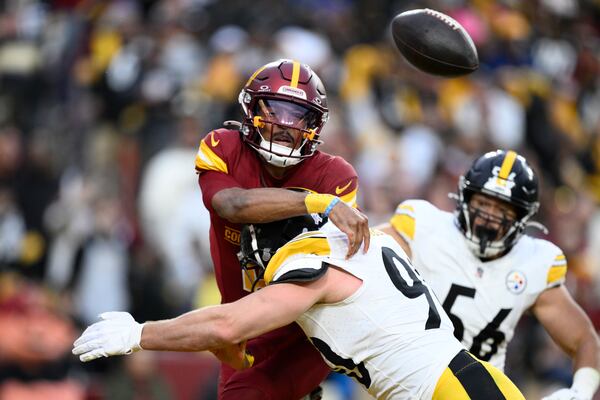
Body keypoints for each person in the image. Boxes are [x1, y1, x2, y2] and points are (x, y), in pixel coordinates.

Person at [73, 215, 525, 400]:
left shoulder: (311, 266)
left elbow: (226, 324)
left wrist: (139, 334)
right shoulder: (357, 243)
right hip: (458, 381)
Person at [193, 59, 370, 399]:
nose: (286, 125)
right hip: (242, 325)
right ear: (252, 109)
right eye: (275, 111)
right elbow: (233, 205)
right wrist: (317, 204)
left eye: (298, 116)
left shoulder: (335, 175)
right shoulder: (223, 147)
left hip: (306, 332)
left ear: (315, 124)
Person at [377, 149, 600, 400]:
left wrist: (581, 391)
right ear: (466, 198)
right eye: (483, 204)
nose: (488, 218)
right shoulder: (424, 227)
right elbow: (363, 254)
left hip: (481, 391)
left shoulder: (534, 261)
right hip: (411, 380)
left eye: (502, 211)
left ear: (522, 217)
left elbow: (584, 339)